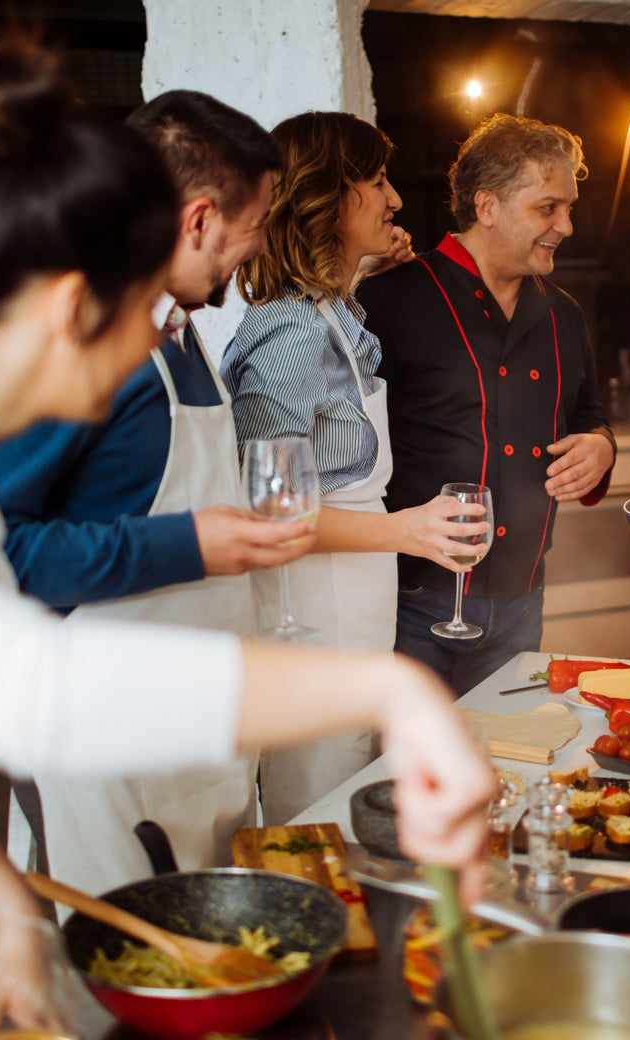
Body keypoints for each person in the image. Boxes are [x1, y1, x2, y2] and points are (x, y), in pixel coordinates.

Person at [0, 42, 493, 1040]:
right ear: (72, 308)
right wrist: (390, 691)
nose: (159, 343)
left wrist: (13, 904)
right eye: (138, 327)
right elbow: (21, 690)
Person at [0, 90, 299, 899]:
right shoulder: (79, 333)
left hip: (190, 731)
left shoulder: (177, 326)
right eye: (256, 224)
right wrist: (190, 543)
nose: (256, 248)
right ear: (198, 221)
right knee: (114, 980)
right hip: (98, 742)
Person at [223, 111, 488, 824]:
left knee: (344, 771)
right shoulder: (290, 331)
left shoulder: (330, 313)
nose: (394, 199)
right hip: (309, 603)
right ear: (328, 200)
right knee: (312, 796)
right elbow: (265, 510)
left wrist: (360, 267)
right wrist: (408, 531)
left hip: (351, 592)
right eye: (374, 181)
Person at [355, 113, 615, 696]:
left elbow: (588, 414)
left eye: (569, 208)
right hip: (411, 603)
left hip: (524, 599)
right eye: (548, 208)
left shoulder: (564, 313)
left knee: (504, 768)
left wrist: (600, 446)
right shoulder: (389, 298)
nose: (567, 226)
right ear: (488, 205)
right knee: (405, 776)